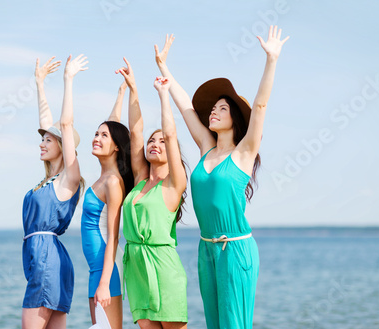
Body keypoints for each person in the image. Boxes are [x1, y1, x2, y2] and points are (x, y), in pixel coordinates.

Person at [154, 26, 289, 328]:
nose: (213, 112)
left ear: (235, 118)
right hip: (207, 249)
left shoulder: (244, 153)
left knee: (234, 324)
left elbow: (261, 107)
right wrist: (164, 68)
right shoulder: (206, 148)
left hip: (236, 249)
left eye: (222, 108)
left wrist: (271, 59)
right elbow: (186, 106)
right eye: (213, 108)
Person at [117, 58, 188, 329]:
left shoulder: (174, 184)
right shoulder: (139, 180)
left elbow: (171, 135)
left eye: (160, 142)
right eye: (151, 141)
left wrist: (163, 95)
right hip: (137, 268)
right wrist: (133, 88)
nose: (154, 144)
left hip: (163, 266)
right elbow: (135, 132)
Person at [21, 54, 87, 329]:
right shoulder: (49, 180)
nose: (41, 144)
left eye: (48, 141)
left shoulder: (68, 179)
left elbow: (65, 125)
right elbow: (48, 123)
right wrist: (39, 84)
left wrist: (68, 80)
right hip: (47, 259)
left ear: (63, 146)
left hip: (47, 261)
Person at [80, 80, 133, 329]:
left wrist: (104, 282)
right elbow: (114, 124)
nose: (96, 138)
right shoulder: (103, 176)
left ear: (116, 147)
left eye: (103, 136)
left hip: (106, 268)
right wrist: (120, 92)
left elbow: (113, 236)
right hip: (97, 268)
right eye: (96, 133)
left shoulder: (112, 182)